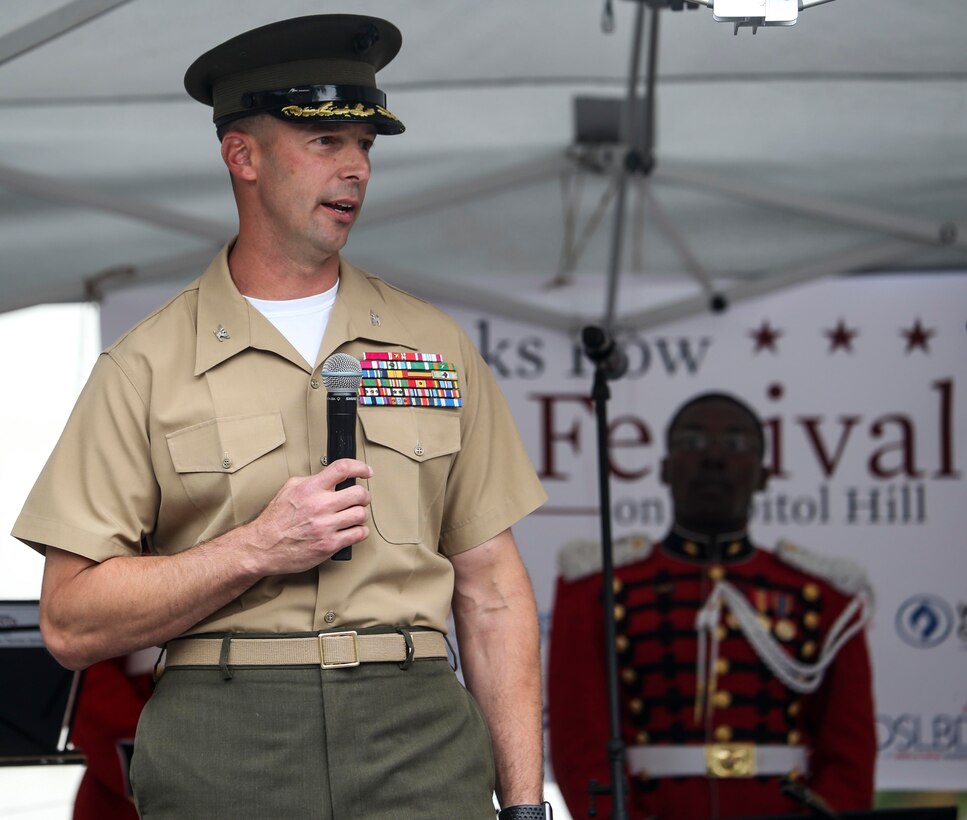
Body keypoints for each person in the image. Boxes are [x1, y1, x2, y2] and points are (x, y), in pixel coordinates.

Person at [13, 14, 551, 820]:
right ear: (243, 156)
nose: (357, 168)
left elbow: (493, 591)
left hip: (418, 736)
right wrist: (255, 548)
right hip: (226, 736)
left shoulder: (431, 347)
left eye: (365, 144)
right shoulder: (146, 365)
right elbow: (69, 621)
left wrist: (522, 804)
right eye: (325, 142)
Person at [547, 392, 876, 819]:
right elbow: (581, 746)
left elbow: (849, 756)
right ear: (664, 469)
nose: (714, 458)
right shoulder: (596, 590)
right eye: (693, 442)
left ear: (764, 475)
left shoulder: (826, 596)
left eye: (736, 445)